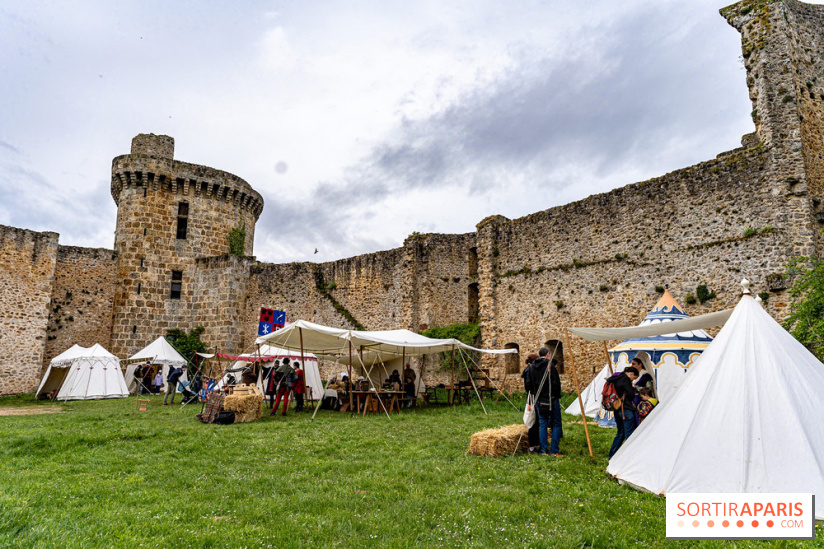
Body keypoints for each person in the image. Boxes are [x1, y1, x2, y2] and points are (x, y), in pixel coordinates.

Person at [527, 347, 563, 457]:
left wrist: (534, 397)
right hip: (551, 399)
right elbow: (556, 383)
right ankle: (553, 451)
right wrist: (556, 395)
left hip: (539, 400)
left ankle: (543, 450)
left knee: (542, 424)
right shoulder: (549, 365)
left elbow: (529, 385)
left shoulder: (532, 367)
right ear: (547, 354)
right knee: (556, 424)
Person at [607, 366, 639, 458]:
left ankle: (612, 456)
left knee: (620, 433)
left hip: (617, 409)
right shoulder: (626, 380)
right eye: (634, 378)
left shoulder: (615, 378)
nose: (633, 379)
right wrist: (632, 388)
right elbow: (630, 395)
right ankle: (629, 458)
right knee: (630, 435)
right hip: (626, 410)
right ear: (632, 374)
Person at [521, 353, 540, 453]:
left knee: (536, 422)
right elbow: (528, 386)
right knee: (532, 421)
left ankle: (536, 444)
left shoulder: (531, 369)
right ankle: (532, 445)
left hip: (534, 396)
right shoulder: (530, 370)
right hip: (532, 397)